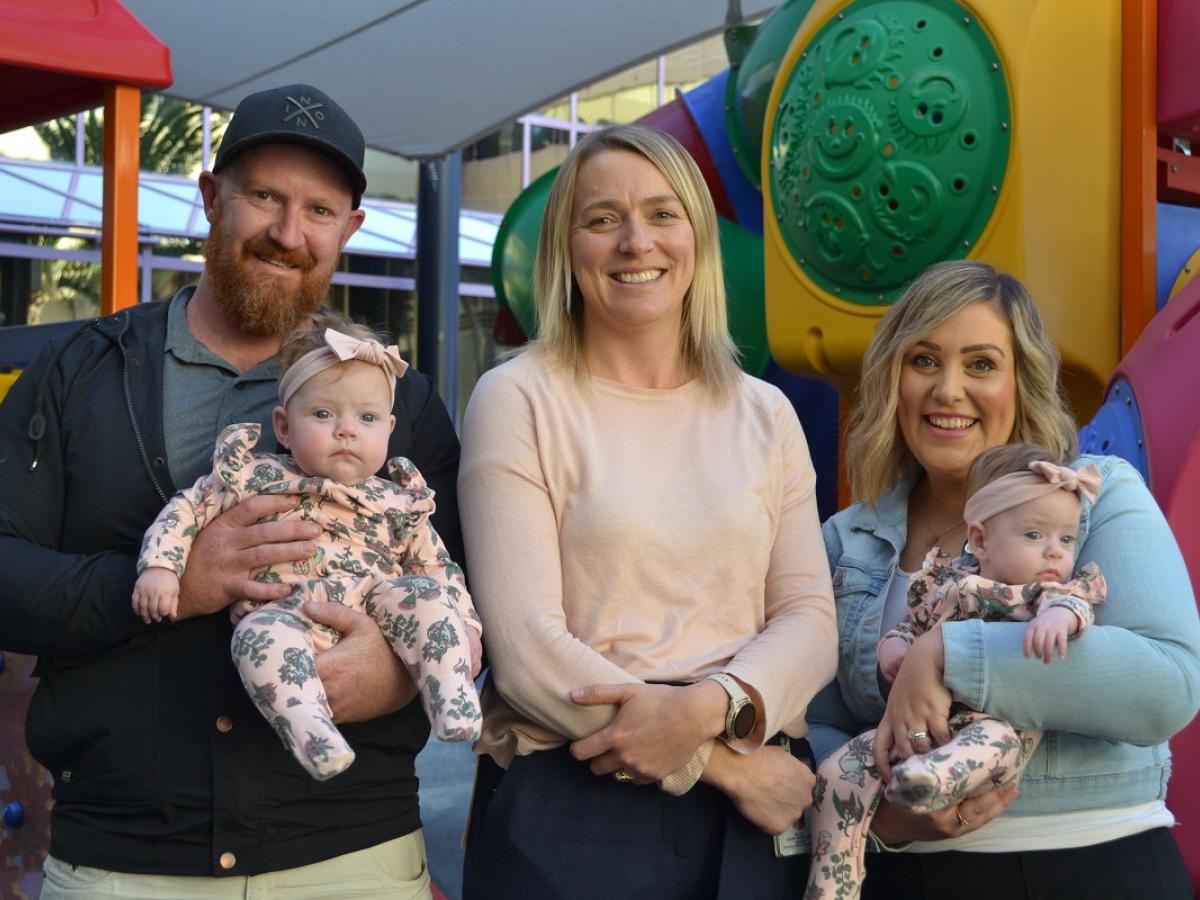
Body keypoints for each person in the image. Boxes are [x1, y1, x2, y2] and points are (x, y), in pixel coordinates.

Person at [0, 84, 461, 898]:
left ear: (350, 229)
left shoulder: (403, 404)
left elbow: (462, 591)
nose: (289, 234)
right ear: (212, 197)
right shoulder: (80, 374)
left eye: (320, 209)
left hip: (350, 852)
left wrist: (397, 669)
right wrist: (176, 585)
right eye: (264, 197)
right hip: (126, 859)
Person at [456, 123, 838, 898]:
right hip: (575, 805)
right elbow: (528, 653)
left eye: (663, 214)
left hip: (752, 814)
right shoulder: (518, 398)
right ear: (569, 249)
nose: (637, 242)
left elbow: (809, 617)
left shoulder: (765, 414)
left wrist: (714, 707)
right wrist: (722, 765)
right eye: (604, 219)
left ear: (697, 236)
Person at [808, 259, 1200, 900]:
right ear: (893, 380)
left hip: (1094, 863)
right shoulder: (846, 539)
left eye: (982, 364)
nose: (948, 390)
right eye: (925, 360)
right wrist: (888, 815)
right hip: (904, 874)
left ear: (1023, 382)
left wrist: (945, 654)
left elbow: (1167, 683)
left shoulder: (1095, 494)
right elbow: (816, 723)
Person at [132, 316, 483, 781]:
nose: (346, 430)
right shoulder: (257, 475)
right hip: (284, 612)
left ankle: (451, 695)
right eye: (322, 415)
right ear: (283, 425)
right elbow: (188, 510)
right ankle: (312, 735)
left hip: (375, 606)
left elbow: (437, 566)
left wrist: (468, 627)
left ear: (390, 428)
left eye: (367, 418)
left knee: (427, 597)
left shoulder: (398, 499)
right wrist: (160, 566)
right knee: (255, 640)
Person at [806, 444, 1106, 899]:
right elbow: (910, 627)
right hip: (909, 733)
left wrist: (1057, 618)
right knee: (836, 771)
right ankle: (832, 883)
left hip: (991, 731)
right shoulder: (945, 584)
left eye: (1065, 540)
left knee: (996, 743)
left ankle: (933, 780)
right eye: (1033, 536)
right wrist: (894, 647)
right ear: (981, 540)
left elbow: (1073, 604)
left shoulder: (1041, 595)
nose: (1054, 553)